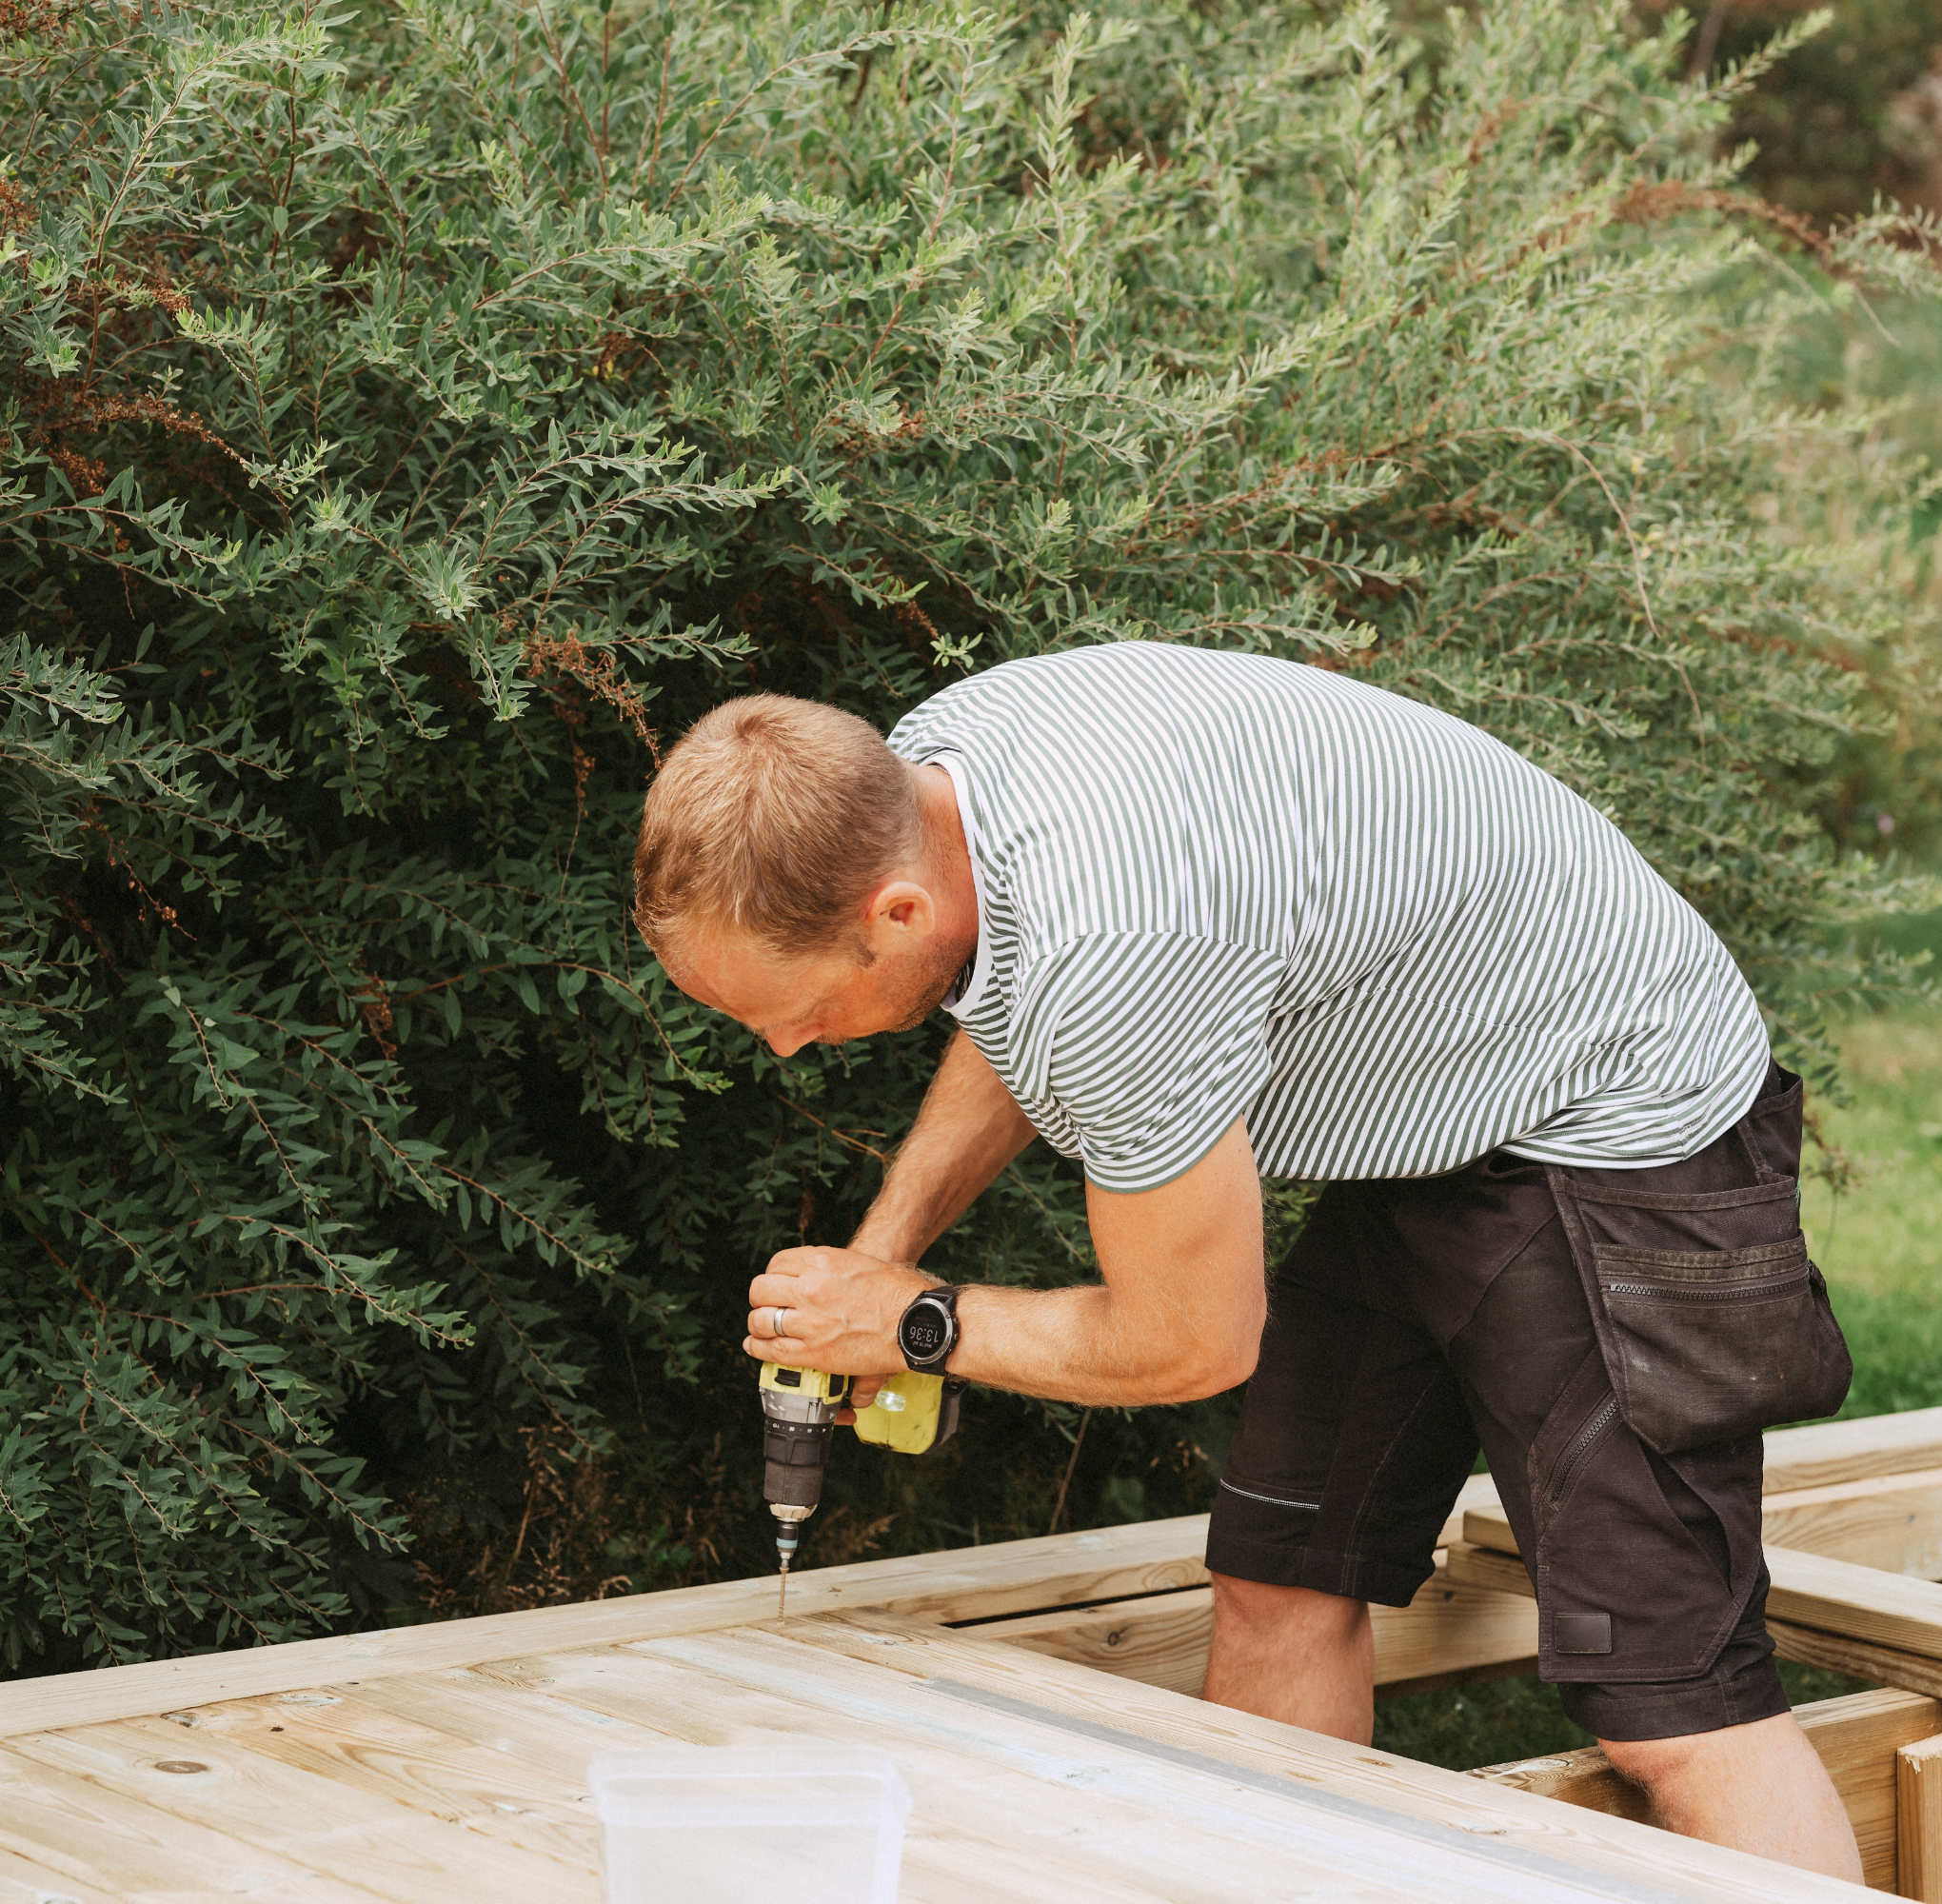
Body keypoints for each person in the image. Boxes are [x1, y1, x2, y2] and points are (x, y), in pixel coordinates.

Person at [632, 641, 1860, 1880]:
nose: (784, 1045)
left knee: (1673, 1707)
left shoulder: (1114, 942)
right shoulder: (939, 769)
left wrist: (920, 1326)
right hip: (1432, 1102)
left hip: (1615, 1117)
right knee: (1280, 1579)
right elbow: (1019, 1008)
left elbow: (1194, 1341)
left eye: (779, 1009)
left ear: (896, 913)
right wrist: (883, 1251)